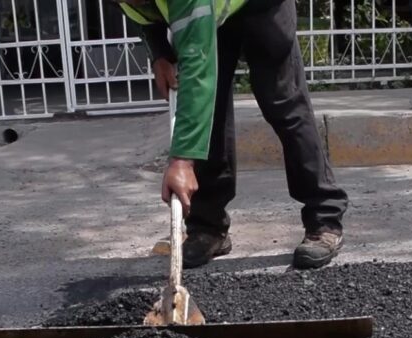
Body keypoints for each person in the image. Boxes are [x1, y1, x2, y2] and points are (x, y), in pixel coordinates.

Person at [112, 0, 348, 269]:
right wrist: (159, 53)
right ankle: (208, 227)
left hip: (263, 8)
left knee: (283, 103)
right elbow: (139, 12)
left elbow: (197, 68)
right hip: (213, 11)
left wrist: (182, 161)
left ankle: (324, 217)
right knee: (211, 110)